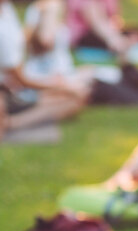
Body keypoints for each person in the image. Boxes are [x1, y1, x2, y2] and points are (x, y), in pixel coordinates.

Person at [0, 0, 87, 137]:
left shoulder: (7, 10)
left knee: (73, 95)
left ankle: (12, 122)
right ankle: (11, 123)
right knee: (72, 97)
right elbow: (21, 80)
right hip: (10, 90)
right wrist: (60, 86)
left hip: (18, 83)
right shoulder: (3, 30)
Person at [65, 0, 138, 59]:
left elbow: (113, 18)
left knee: (137, 32)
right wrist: (115, 38)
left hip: (106, 31)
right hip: (85, 35)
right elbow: (96, 20)